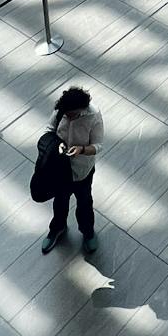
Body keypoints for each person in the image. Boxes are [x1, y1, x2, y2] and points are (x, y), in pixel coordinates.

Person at [41, 85, 103, 256]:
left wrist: (81, 150)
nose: (67, 116)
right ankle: (57, 228)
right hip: (60, 168)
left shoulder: (93, 116)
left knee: (84, 202)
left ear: (81, 109)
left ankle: (88, 232)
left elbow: (98, 146)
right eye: (66, 114)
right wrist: (57, 145)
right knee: (60, 200)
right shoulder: (62, 109)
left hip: (82, 170)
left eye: (71, 114)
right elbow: (49, 130)